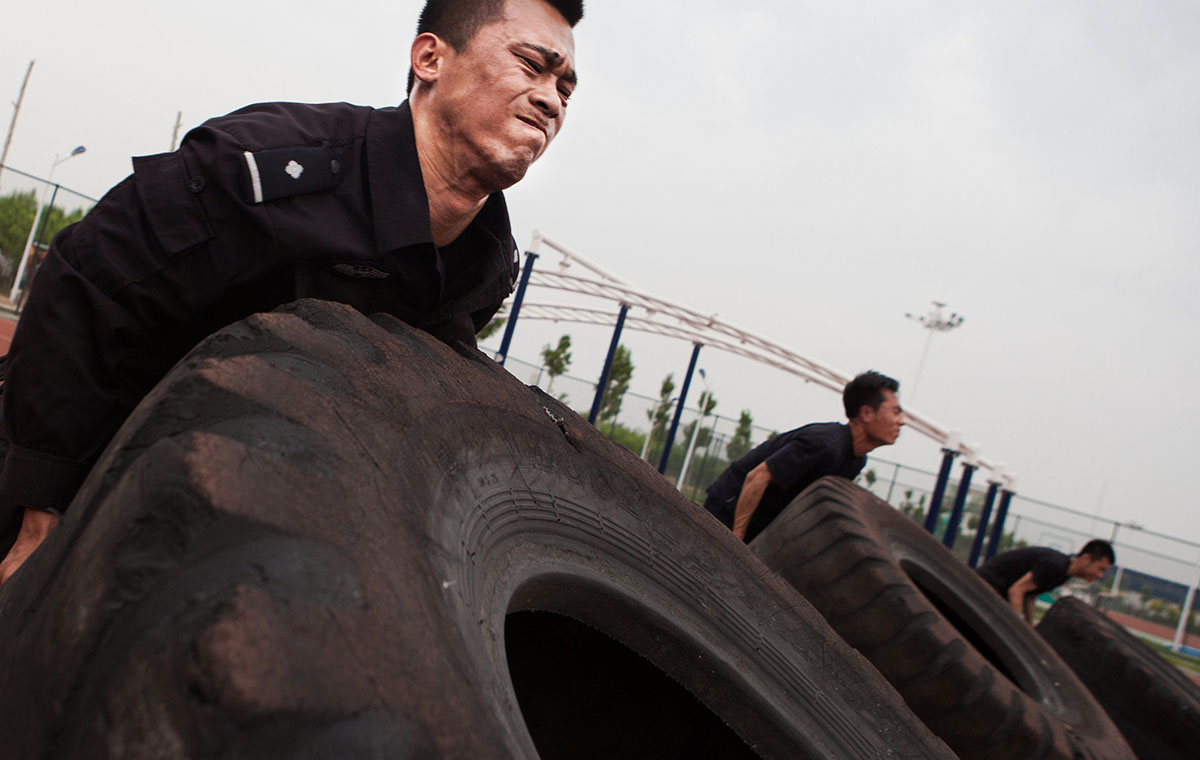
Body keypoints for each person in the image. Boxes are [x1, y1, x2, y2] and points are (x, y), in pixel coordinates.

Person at [0, 0, 584, 585]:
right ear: (430, 58)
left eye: (565, 88)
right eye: (532, 64)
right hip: (66, 480)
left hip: (214, 526)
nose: (551, 100)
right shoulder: (265, 167)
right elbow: (87, 285)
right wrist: (39, 519)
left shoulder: (486, 264)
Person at [704, 371, 904, 543]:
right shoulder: (823, 444)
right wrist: (734, 541)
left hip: (759, 527)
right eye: (895, 412)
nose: (901, 422)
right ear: (867, 413)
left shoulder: (857, 460)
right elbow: (757, 477)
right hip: (727, 511)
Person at [976, 540, 1114, 623]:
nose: (1100, 575)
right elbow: (1016, 591)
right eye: (1100, 569)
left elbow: (1029, 595)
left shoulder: (1064, 573)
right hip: (984, 586)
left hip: (995, 590)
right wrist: (1015, 626)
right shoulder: (1056, 566)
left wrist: (1029, 627)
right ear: (1086, 558)